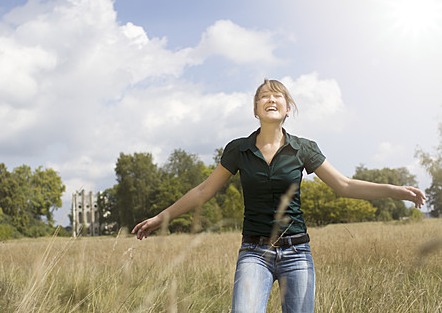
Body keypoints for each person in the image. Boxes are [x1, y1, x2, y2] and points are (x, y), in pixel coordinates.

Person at [131, 79, 426, 313]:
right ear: (256, 110)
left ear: (287, 109)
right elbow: (203, 190)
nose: (270, 99)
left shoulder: (303, 149)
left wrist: (395, 190)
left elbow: (344, 186)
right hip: (253, 253)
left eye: (278, 96)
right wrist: (161, 218)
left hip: (297, 254)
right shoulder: (238, 150)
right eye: (263, 96)